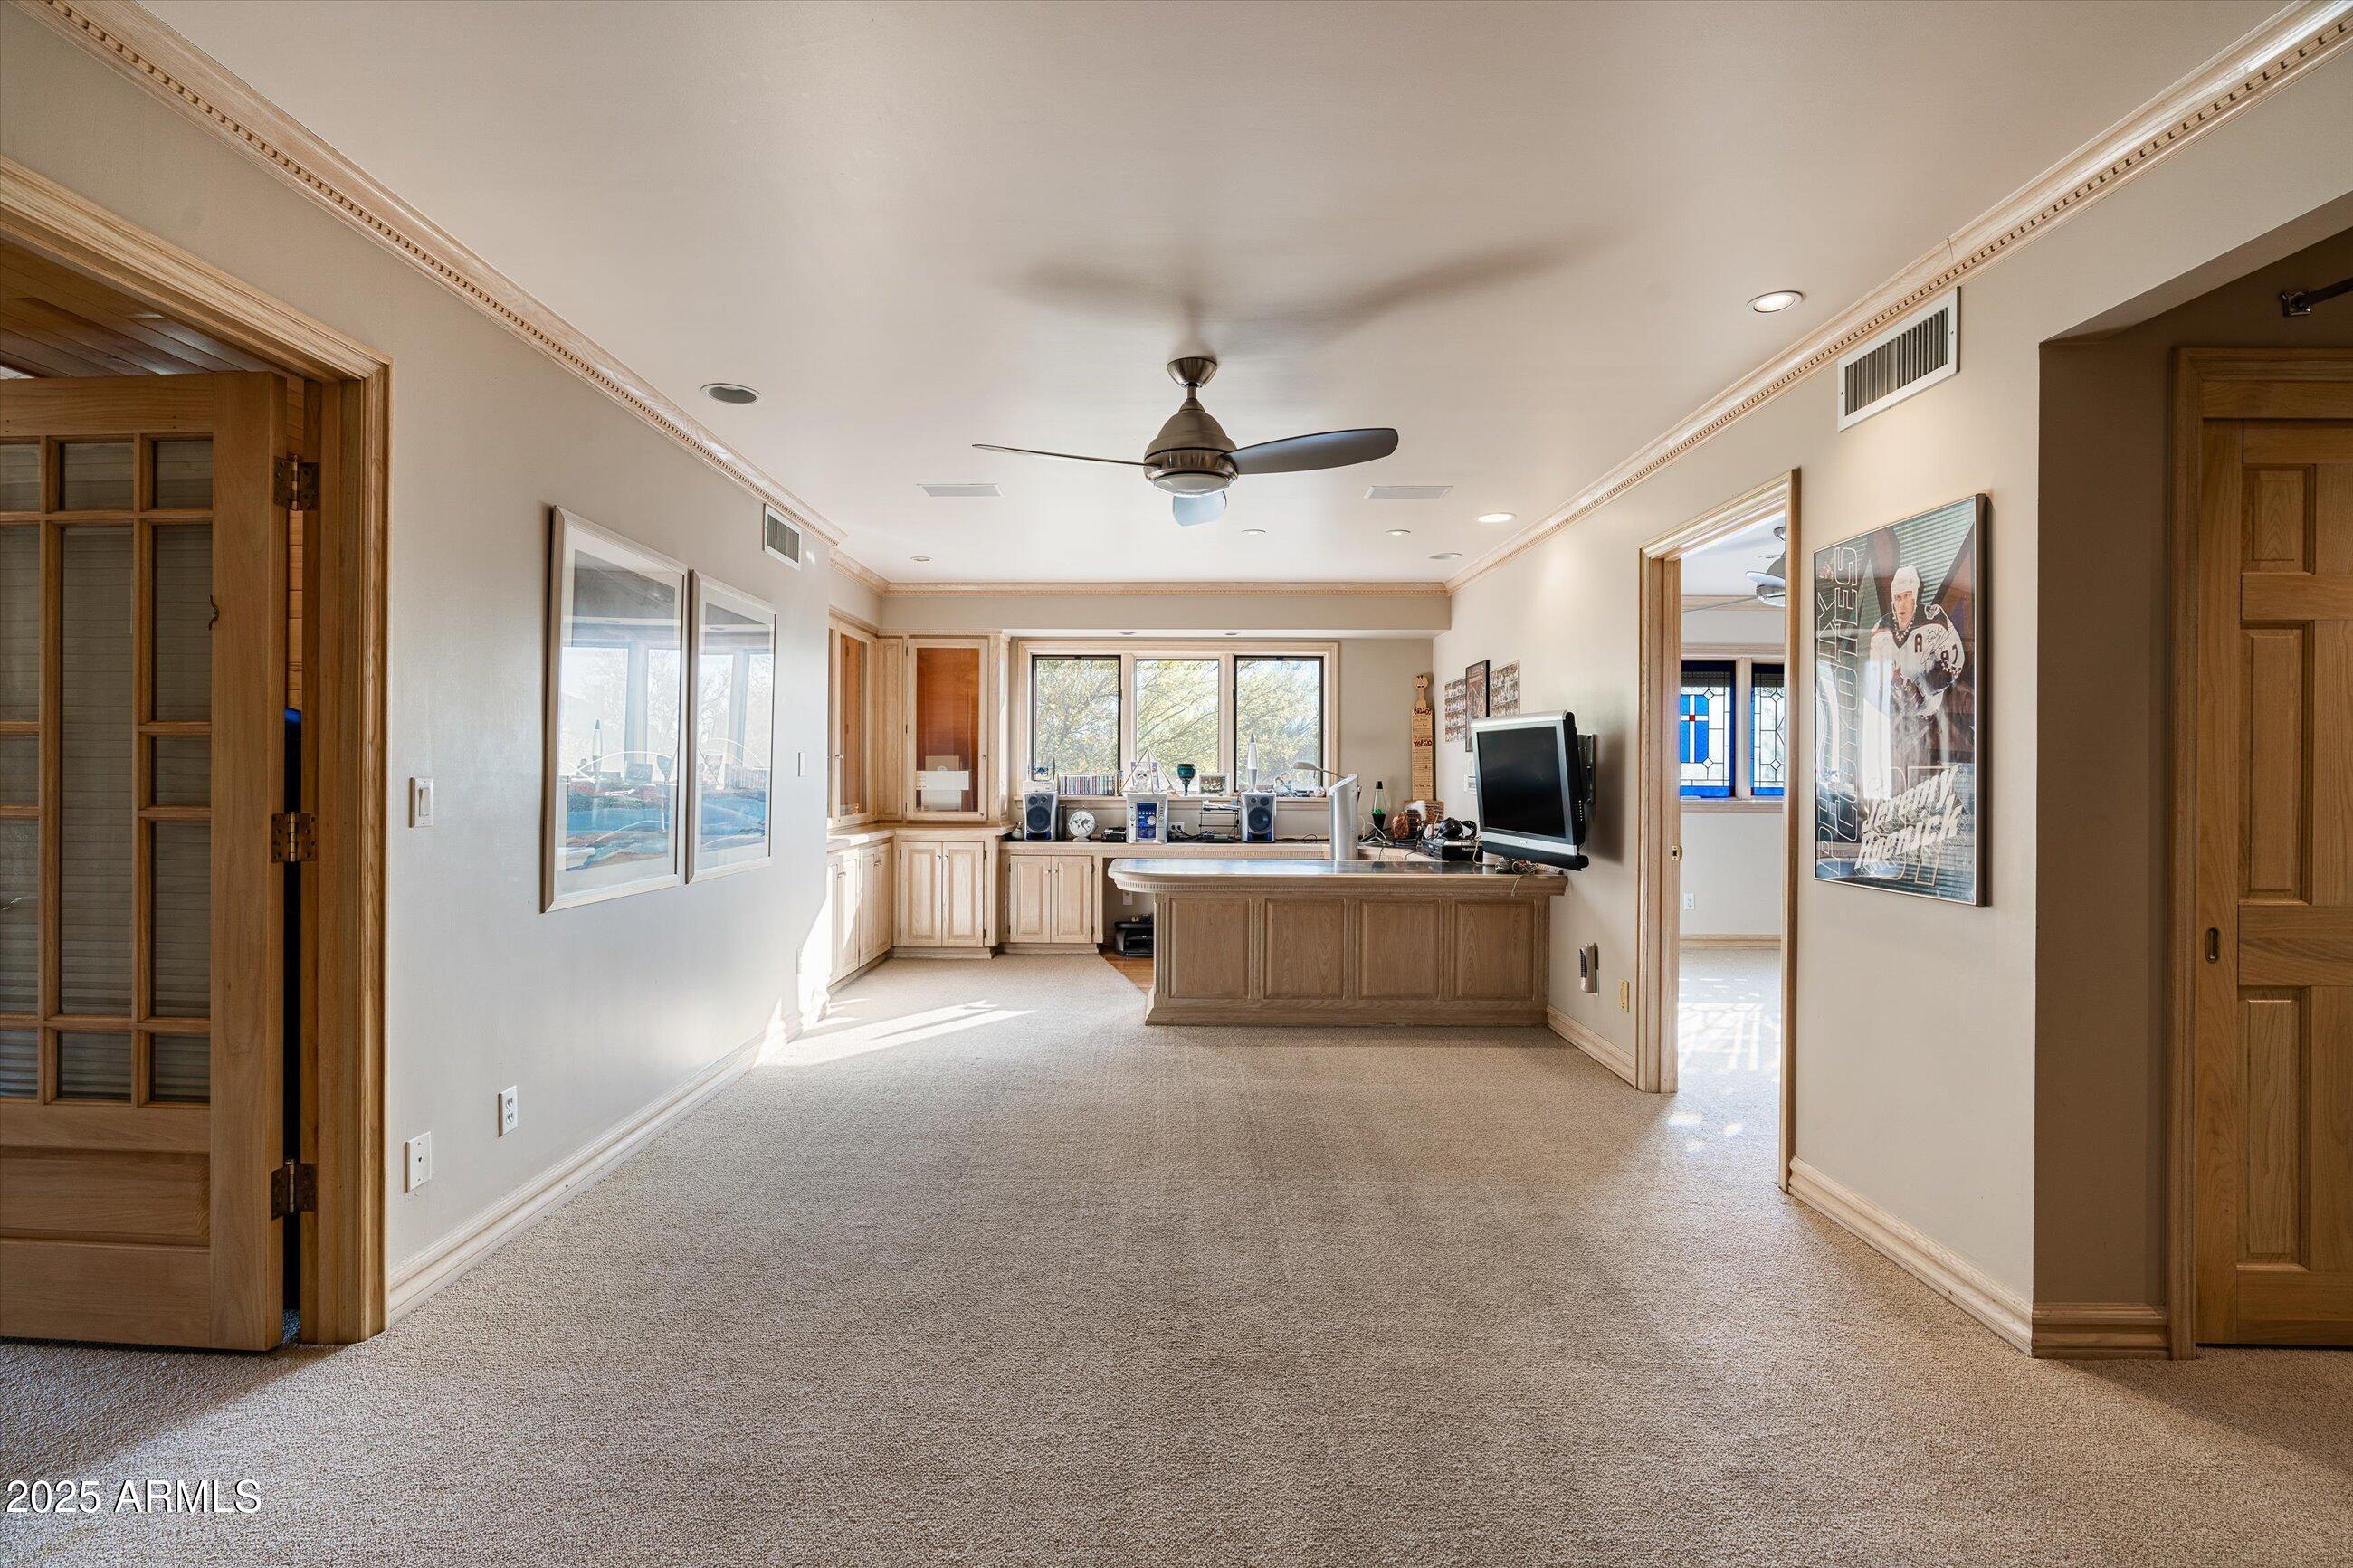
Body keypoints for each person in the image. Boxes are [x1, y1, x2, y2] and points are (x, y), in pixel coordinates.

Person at [1865, 565, 1973, 788]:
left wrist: (1923, 688)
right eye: (1897, 598)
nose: (1901, 603)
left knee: (1948, 776)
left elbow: (1954, 664)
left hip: (1939, 715)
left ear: (1915, 596)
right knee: (1906, 782)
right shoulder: (1880, 631)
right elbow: (1877, 678)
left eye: (1906, 596)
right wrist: (1896, 691)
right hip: (1904, 722)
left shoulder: (1933, 620)